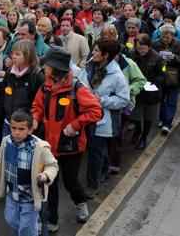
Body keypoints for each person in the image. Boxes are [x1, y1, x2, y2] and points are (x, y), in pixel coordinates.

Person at [32, 46, 102, 231]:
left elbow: (96, 110)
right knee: (49, 184)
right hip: (48, 145)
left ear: (55, 67)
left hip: (71, 147)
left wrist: (76, 124)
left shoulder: (76, 88)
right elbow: (37, 105)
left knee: (71, 181)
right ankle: (51, 220)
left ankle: (80, 203)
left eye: (46, 63)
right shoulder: (46, 85)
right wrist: (34, 118)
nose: (43, 66)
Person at [0, 109, 59, 236]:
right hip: (12, 195)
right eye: (13, 128)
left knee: (26, 229)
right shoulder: (6, 141)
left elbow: (52, 165)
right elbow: (0, 163)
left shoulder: (39, 147)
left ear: (30, 130)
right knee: (11, 222)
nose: (16, 132)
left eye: (21, 129)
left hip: (30, 198)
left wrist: (46, 175)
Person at [77, 38, 130, 199]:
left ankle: (92, 185)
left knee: (95, 151)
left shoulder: (117, 76)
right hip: (84, 115)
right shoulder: (89, 66)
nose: (93, 53)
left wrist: (101, 100)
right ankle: (106, 165)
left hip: (102, 120)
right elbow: (79, 82)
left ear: (106, 55)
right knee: (93, 149)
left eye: (97, 51)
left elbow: (123, 100)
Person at [0, 39, 45, 139]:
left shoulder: (37, 76)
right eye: (13, 53)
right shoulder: (9, 73)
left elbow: (40, 104)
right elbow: (1, 99)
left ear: (28, 56)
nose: (13, 57)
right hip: (8, 123)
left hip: (25, 127)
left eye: (17, 54)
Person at [129, 34, 164, 150]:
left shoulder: (157, 58)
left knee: (149, 117)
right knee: (136, 116)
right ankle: (138, 130)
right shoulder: (132, 54)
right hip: (137, 92)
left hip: (152, 93)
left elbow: (163, 75)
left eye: (143, 48)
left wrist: (153, 81)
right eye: (138, 48)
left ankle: (144, 138)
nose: (141, 51)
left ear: (149, 46)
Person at [152, 24, 180, 136]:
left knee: (171, 101)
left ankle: (167, 124)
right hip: (160, 76)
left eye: (168, 37)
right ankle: (163, 118)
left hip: (174, 77)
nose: (165, 40)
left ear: (173, 36)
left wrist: (175, 57)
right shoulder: (155, 44)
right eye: (163, 37)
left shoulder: (179, 45)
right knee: (160, 100)